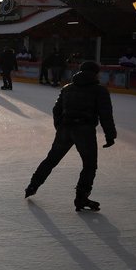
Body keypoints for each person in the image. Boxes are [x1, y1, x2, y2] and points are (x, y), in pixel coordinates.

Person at [25, 61, 117, 211]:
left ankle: (32, 185)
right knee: (89, 165)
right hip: (85, 131)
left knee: (51, 159)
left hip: (65, 128)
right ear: (95, 73)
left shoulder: (67, 88)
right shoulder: (99, 91)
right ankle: (81, 198)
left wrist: (59, 126)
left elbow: (56, 109)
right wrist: (110, 135)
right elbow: (106, 114)